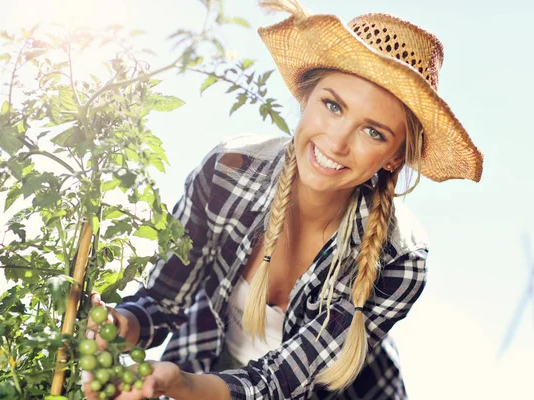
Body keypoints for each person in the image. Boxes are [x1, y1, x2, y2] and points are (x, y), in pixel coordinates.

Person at [84, 0, 483, 398]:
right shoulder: (227, 173)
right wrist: (121, 325)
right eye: (333, 105)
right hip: (198, 364)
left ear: (394, 156)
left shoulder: (400, 259)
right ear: (306, 97)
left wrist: (180, 383)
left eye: (373, 132)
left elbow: (280, 384)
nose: (337, 142)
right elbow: (163, 301)